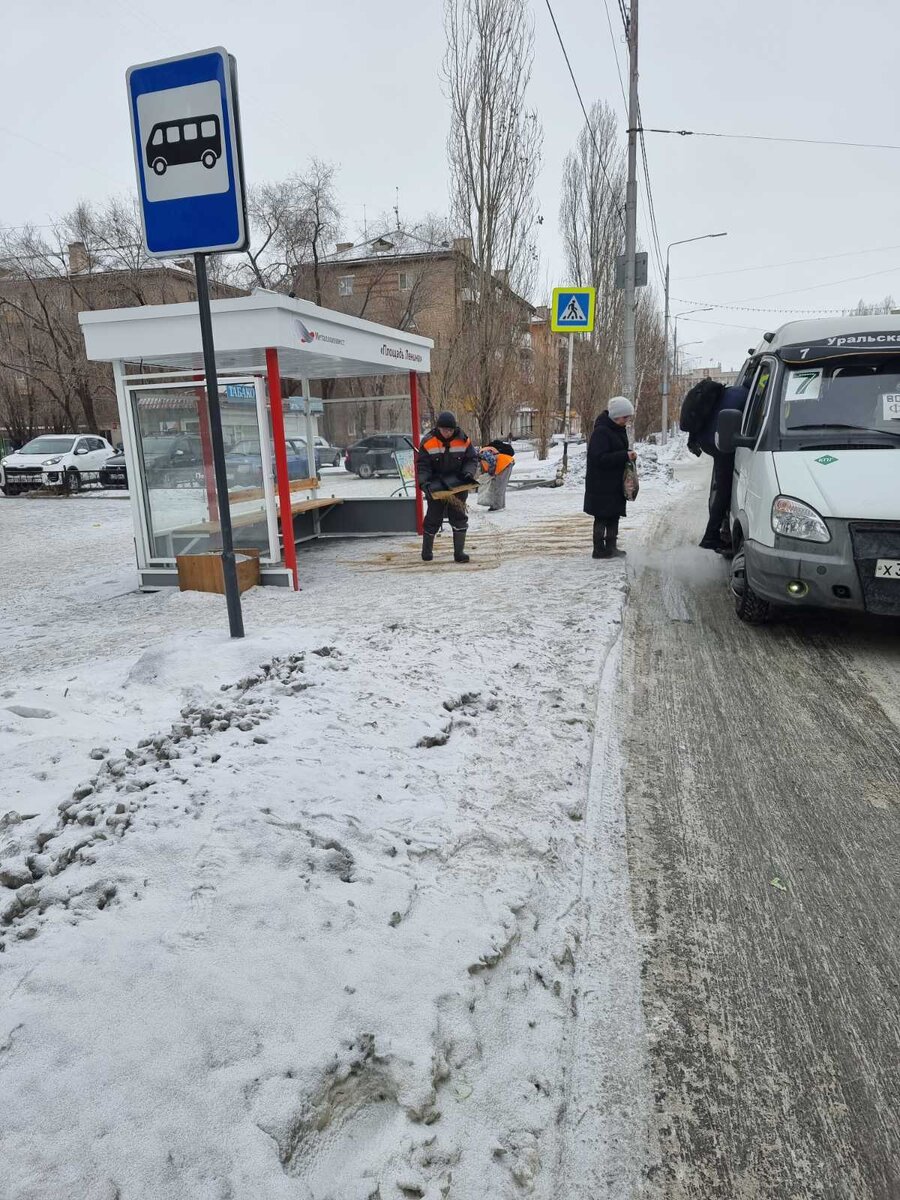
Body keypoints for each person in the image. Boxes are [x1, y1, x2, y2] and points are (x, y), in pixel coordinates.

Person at [691, 383, 749, 552]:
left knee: (721, 482)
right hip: (718, 441)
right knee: (724, 488)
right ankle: (710, 536)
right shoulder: (750, 396)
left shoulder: (732, 391)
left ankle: (721, 525)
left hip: (709, 439)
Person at [417, 410, 479, 563]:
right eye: (444, 430)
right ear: (438, 428)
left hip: (458, 485)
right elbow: (423, 466)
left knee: (459, 517)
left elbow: (471, 460)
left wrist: (468, 473)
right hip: (436, 486)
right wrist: (424, 482)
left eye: (450, 430)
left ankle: (459, 553)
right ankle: (427, 552)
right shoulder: (428, 441)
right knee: (433, 518)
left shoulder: (464, 440)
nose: (447, 433)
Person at [584, 396, 636, 559]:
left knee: (614, 514)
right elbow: (599, 458)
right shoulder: (601, 432)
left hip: (613, 482)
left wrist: (628, 456)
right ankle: (599, 549)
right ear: (616, 416)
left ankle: (611, 547)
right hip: (601, 483)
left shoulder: (616, 429)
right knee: (602, 516)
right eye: (625, 417)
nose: (627, 421)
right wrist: (624, 456)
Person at [477, 437, 516, 510]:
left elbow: (491, 461)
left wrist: (491, 472)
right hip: (506, 463)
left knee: (498, 486)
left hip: (503, 464)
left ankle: (496, 506)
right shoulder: (485, 450)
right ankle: (500, 505)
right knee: (501, 486)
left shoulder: (483, 453)